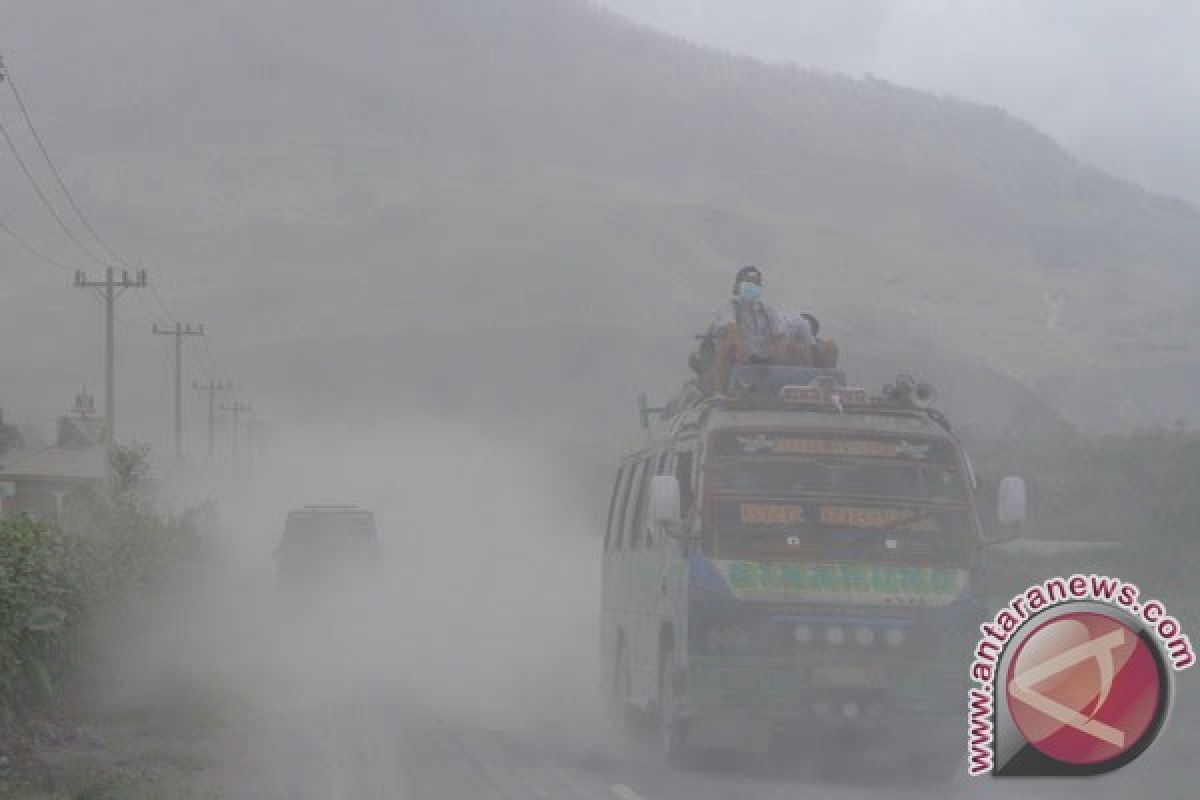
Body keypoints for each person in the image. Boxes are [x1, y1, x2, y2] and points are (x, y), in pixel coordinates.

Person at [707, 266, 785, 394]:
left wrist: (779, 351)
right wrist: (741, 347)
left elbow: (780, 335)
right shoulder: (728, 306)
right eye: (749, 282)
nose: (753, 286)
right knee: (727, 346)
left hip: (763, 354)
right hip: (739, 355)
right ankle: (719, 393)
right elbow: (732, 330)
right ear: (738, 285)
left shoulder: (767, 309)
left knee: (794, 348)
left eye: (756, 283)